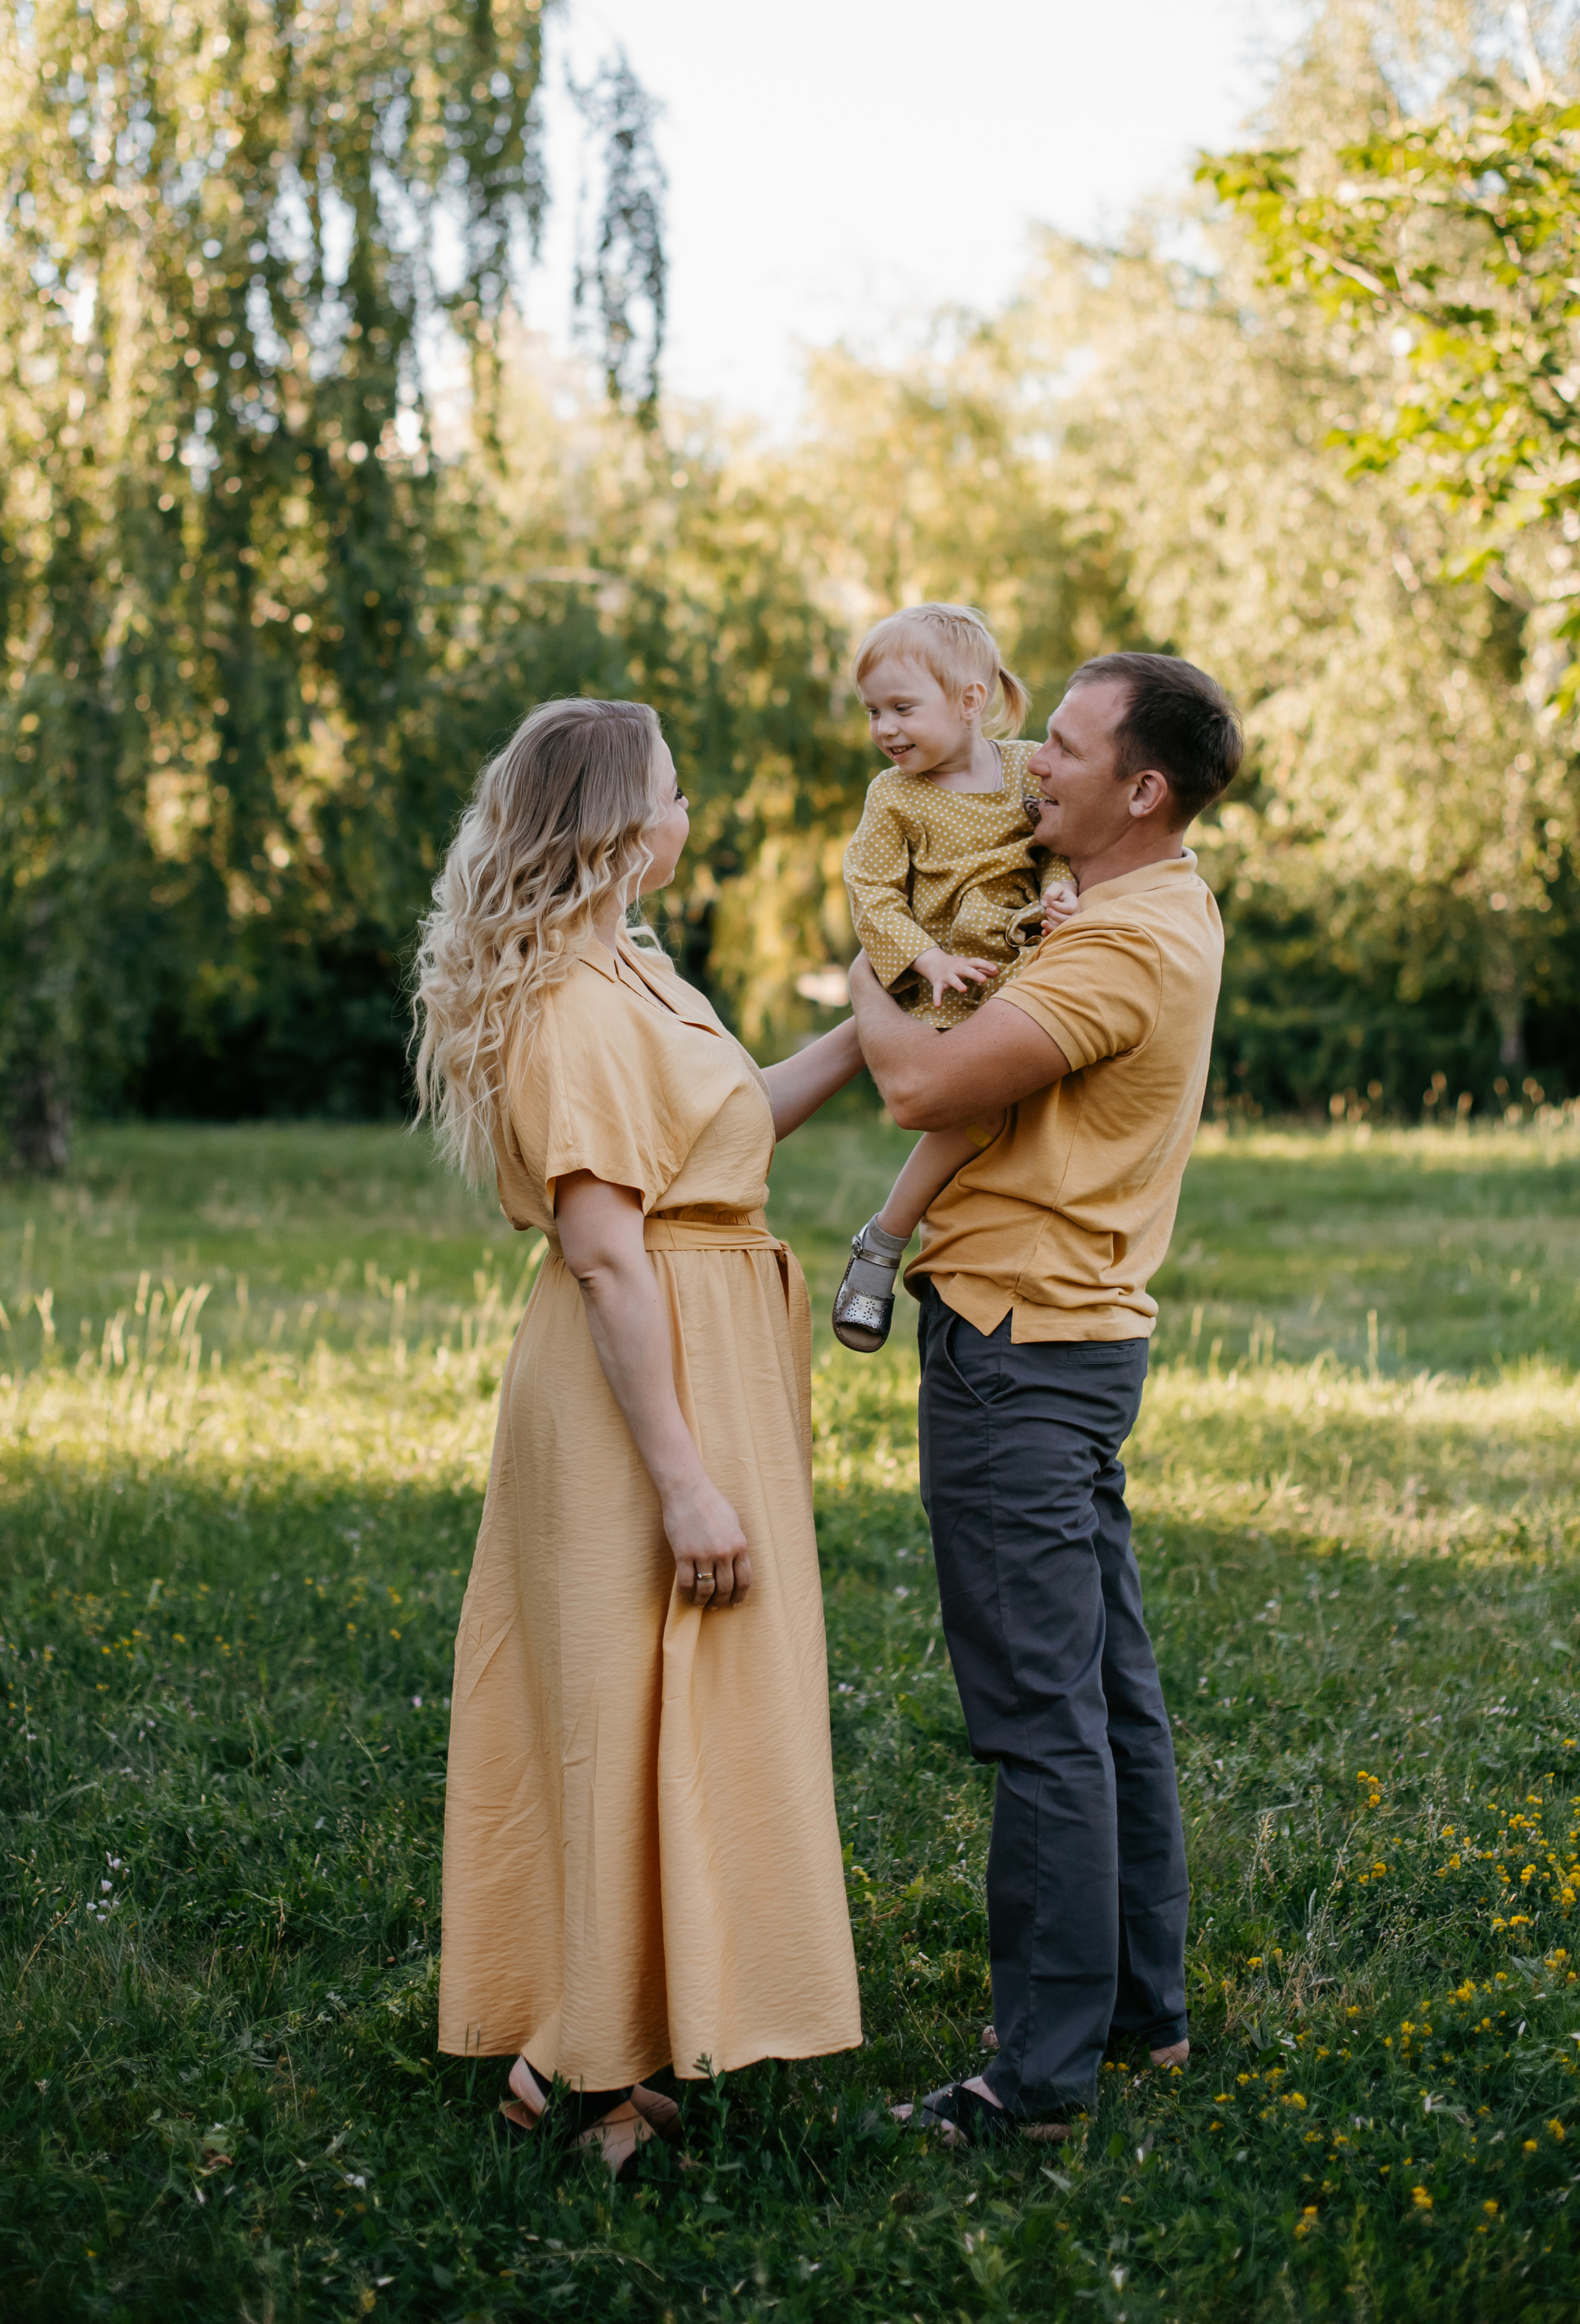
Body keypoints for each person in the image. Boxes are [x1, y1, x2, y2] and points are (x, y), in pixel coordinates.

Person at [412, 696, 863, 2181]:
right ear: (619, 822)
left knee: (694, 1701)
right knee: (615, 1702)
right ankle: (572, 2065)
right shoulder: (570, 1003)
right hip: (633, 1386)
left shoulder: (640, 972)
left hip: (704, 1338)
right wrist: (680, 1477)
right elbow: (608, 1252)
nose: (688, 815)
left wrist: (873, 1024)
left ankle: (636, 2031)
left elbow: (727, 1138)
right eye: (672, 792)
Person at [847, 650, 1244, 2147]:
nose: (1030, 764)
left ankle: (1036, 2079)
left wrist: (863, 948)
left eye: (1065, 750)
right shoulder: (1161, 900)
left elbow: (918, 1085)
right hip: (1072, 1341)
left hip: (1019, 1346)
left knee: (1039, 1723)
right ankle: (1140, 2020)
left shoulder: (1112, 949)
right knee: (1104, 1703)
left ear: (1141, 789)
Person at [831, 604, 1077, 1356]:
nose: (885, 729)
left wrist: (1063, 886)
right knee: (968, 1111)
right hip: (948, 972)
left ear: (971, 701)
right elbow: (871, 891)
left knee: (1034, 1103)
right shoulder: (895, 797)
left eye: (903, 708)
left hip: (1026, 956)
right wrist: (924, 959)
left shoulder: (1023, 768)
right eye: (874, 712)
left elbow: (1058, 843)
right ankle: (884, 1239)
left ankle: (993, 1233)